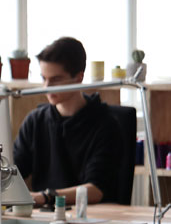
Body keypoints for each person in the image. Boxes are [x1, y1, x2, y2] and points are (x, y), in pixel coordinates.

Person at [13, 37, 122, 209]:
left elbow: (96, 189)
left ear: (79, 77)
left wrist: (45, 197)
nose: (47, 87)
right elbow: (13, 172)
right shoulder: (35, 121)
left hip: (91, 218)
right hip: (42, 217)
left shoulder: (106, 125)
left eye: (56, 79)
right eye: (44, 78)